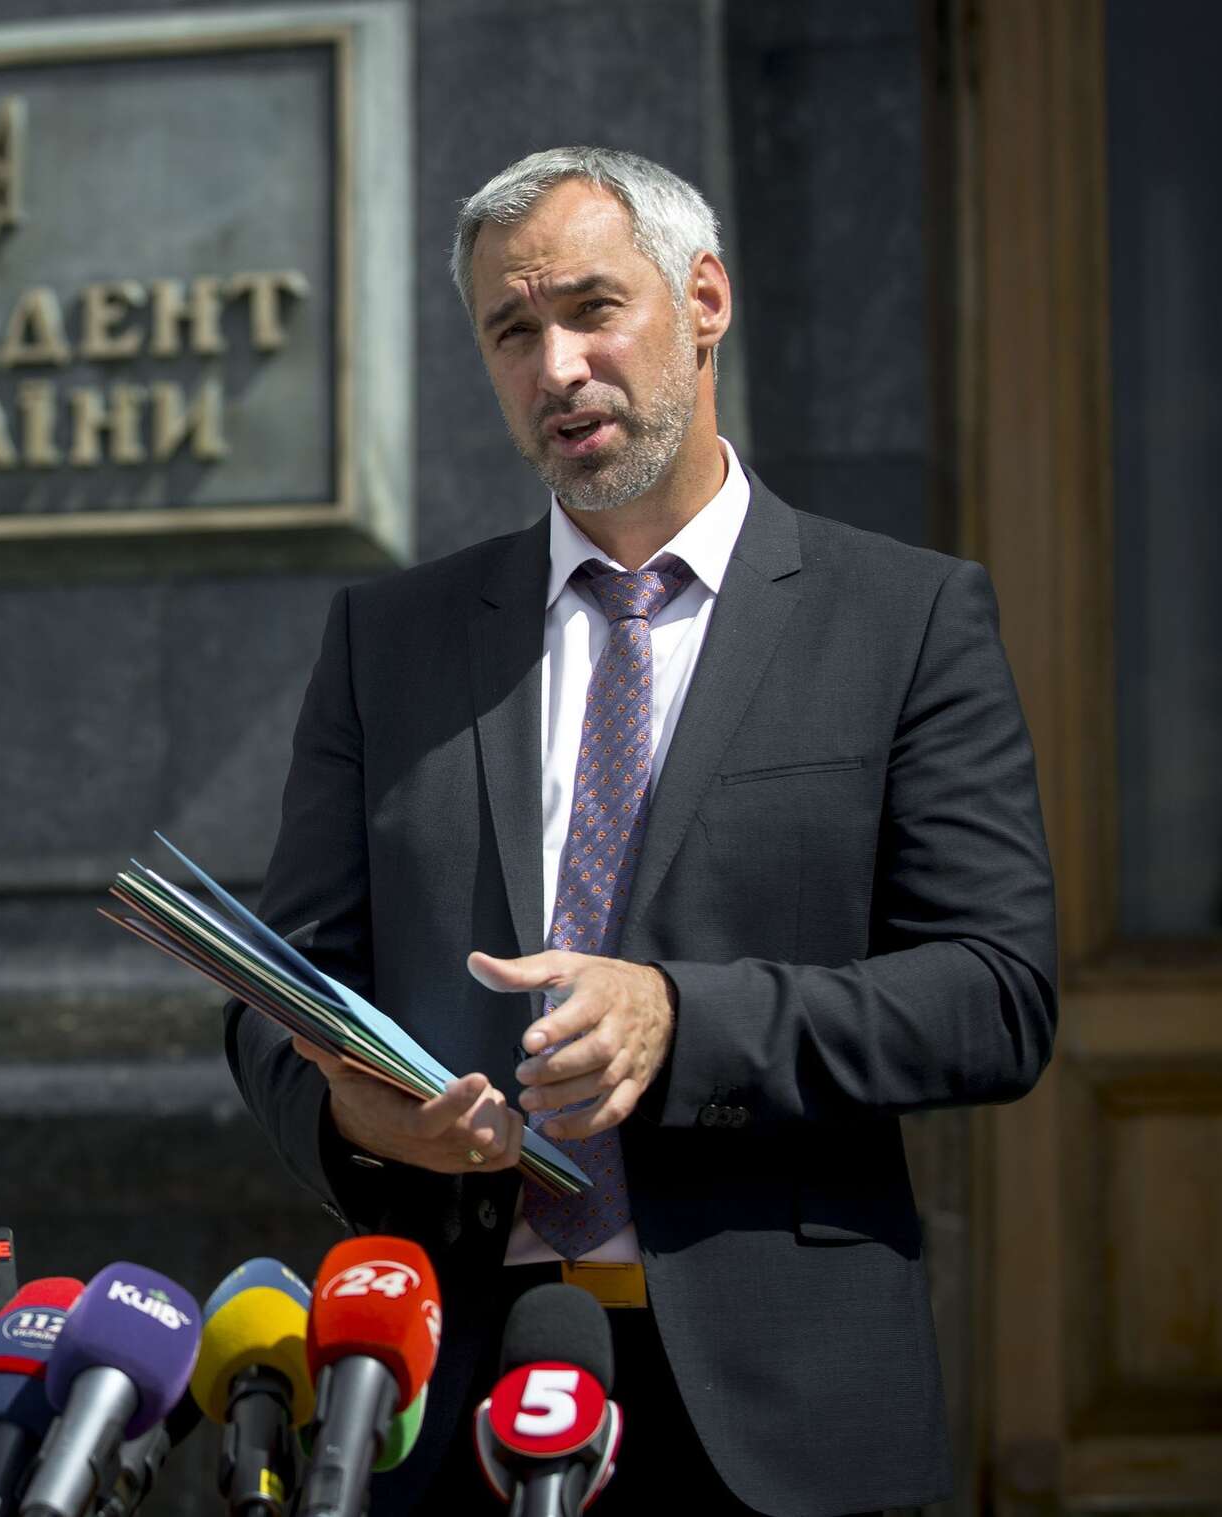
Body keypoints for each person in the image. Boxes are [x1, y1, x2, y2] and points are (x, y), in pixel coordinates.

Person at [223, 146, 1056, 1516]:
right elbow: (281, 984)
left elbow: (997, 996)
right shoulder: (392, 641)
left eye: (593, 309)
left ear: (705, 298)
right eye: (513, 331)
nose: (556, 367)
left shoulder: (902, 620)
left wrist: (680, 1019)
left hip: (780, 1409)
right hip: (451, 1386)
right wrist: (348, 1113)